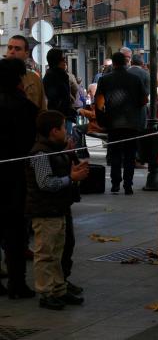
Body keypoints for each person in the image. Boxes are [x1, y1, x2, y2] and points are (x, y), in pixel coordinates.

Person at [25, 110, 88, 310]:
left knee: (57, 251)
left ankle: (59, 289)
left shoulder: (54, 148)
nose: (66, 131)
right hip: (45, 211)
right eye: (63, 128)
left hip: (57, 208)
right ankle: (45, 292)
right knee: (45, 253)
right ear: (54, 131)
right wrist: (71, 179)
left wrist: (72, 166)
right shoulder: (41, 153)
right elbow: (45, 183)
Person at [0, 58, 38, 299]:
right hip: (15, 177)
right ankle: (17, 282)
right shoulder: (25, 108)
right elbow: (29, 144)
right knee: (15, 230)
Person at [95, 52, 148, 195]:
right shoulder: (135, 79)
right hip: (132, 123)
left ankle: (115, 184)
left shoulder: (105, 80)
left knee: (115, 153)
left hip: (113, 123)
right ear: (126, 63)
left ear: (113, 63)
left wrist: (101, 119)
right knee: (130, 155)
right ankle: (128, 185)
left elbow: (99, 102)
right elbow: (144, 100)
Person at [6, 35, 47, 111]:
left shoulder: (34, 79)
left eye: (17, 49)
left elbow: (42, 109)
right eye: (10, 48)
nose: (12, 51)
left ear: (26, 54)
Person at [43, 49, 77, 131]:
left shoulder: (60, 75)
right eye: (63, 59)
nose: (65, 62)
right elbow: (55, 99)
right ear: (56, 61)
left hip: (62, 116)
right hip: (59, 118)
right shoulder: (54, 77)